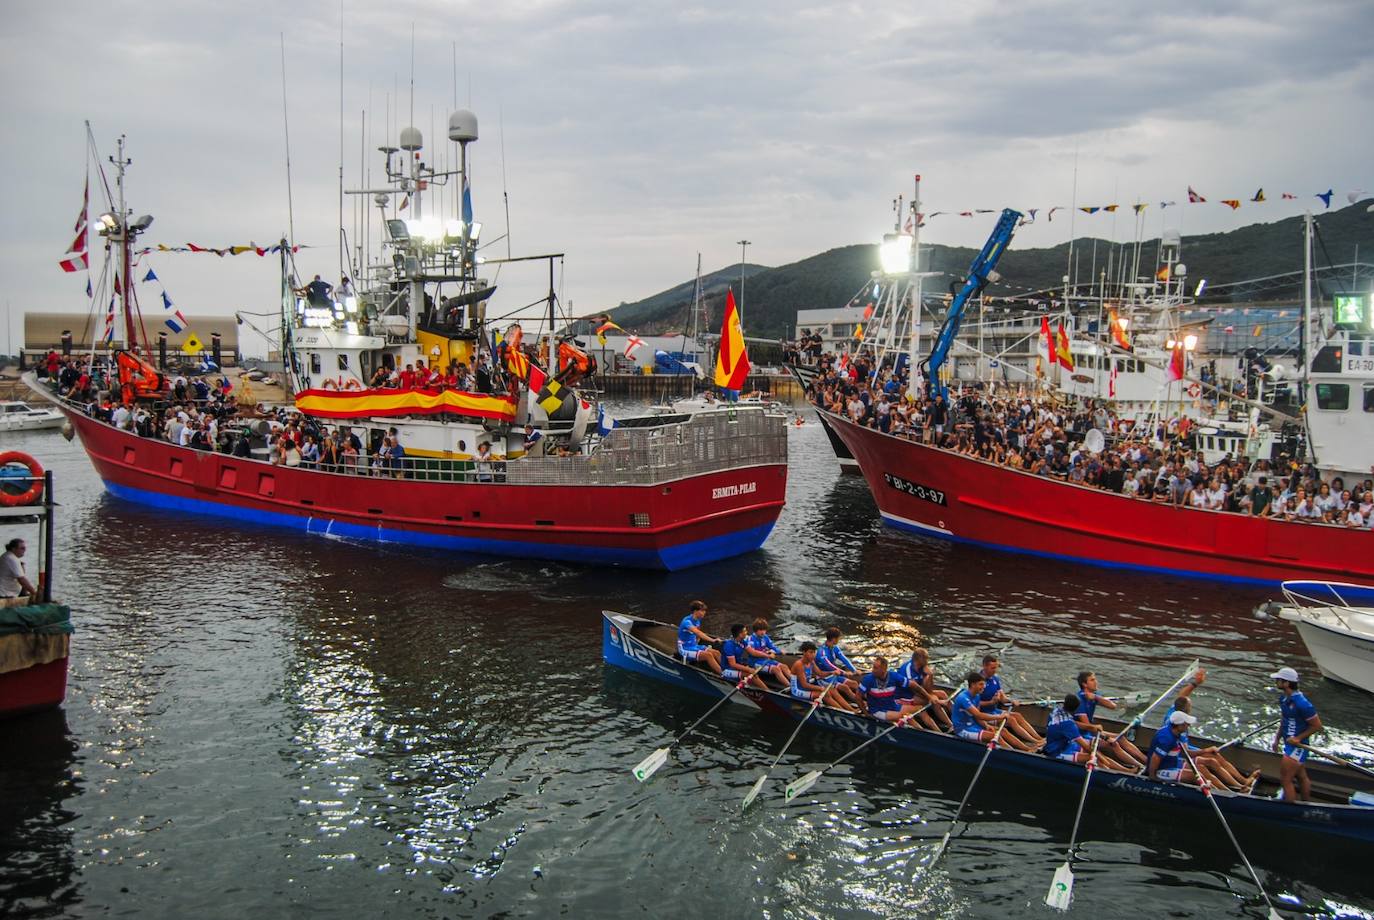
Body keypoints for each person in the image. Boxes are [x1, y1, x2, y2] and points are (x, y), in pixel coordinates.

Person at [1074, 671, 1147, 768]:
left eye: (1095, 679)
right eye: (1092, 680)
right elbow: (1088, 727)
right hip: (1081, 735)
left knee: (1120, 737)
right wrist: (1105, 737)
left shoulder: (1093, 695)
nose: (1096, 682)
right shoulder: (1080, 700)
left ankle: (1146, 761)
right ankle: (1138, 766)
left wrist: (1096, 697)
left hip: (1091, 732)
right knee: (1113, 743)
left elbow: (1113, 706)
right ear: (1084, 684)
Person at [1271, 666, 1322, 802]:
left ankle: (1290, 809)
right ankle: (1305, 804)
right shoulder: (1283, 699)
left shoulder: (1303, 704)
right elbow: (1284, 719)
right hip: (1289, 744)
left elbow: (1317, 726)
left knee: (1286, 780)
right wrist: (1277, 739)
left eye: (1278, 680)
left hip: (1298, 747)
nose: (1276, 682)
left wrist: (1298, 738)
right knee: (1301, 776)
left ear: (1286, 683)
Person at [950, 671, 1035, 750]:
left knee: (1003, 731)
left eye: (983, 684)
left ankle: (1027, 749)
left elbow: (978, 719)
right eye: (981, 684)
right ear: (973, 685)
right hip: (962, 729)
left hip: (974, 725)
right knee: (994, 736)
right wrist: (999, 717)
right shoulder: (963, 698)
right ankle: (1013, 753)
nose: (983, 687)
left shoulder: (976, 696)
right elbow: (979, 715)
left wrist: (986, 726)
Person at [976, 654, 1043, 748]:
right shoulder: (978, 682)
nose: (995, 670)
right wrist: (991, 702)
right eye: (992, 668)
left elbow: (1002, 698)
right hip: (984, 714)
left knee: (1017, 715)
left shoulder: (995, 679)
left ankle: (1039, 739)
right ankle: (1033, 742)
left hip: (994, 711)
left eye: (996, 667)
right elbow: (974, 704)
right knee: (1011, 720)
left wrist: (1011, 700)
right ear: (985, 666)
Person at [789, 642, 856, 711]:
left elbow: (820, 673)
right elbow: (804, 685)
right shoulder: (799, 665)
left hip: (807, 686)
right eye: (810, 652)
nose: (813, 655)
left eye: (814, 652)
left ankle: (851, 710)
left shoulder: (811, 661)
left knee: (833, 690)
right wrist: (820, 688)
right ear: (804, 652)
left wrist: (832, 672)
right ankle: (843, 712)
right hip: (798, 690)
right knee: (825, 694)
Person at [896, 647, 953, 729]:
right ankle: (949, 724)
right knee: (935, 701)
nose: (928, 660)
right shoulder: (907, 669)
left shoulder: (923, 667)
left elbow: (928, 689)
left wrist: (930, 675)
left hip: (918, 692)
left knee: (942, 694)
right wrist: (935, 699)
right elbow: (915, 690)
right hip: (906, 696)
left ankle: (956, 720)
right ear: (919, 659)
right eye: (926, 658)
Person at [676, 600, 722, 674]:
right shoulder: (687, 622)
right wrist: (713, 640)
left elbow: (698, 633)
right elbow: (698, 632)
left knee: (717, 652)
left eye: (704, 611)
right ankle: (724, 674)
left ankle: (729, 670)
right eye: (702, 611)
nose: (704, 612)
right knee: (708, 655)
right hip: (685, 649)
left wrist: (698, 641)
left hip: (694, 646)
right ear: (695, 611)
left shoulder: (698, 620)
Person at [744, 618, 791, 688]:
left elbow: (772, 647)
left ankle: (796, 684)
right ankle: (791, 687)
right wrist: (767, 654)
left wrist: (780, 651)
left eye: (764, 630)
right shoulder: (750, 639)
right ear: (756, 630)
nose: (763, 632)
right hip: (754, 663)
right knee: (776, 669)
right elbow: (753, 653)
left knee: (784, 666)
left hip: (765, 660)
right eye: (760, 630)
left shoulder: (765, 637)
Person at [720, 624, 766, 689]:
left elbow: (753, 652)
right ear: (740, 634)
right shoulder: (729, 645)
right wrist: (748, 669)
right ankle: (769, 692)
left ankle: (758, 687)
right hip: (726, 671)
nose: (746, 633)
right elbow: (733, 664)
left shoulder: (742, 642)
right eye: (745, 631)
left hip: (737, 667)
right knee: (749, 674)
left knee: (753, 674)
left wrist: (767, 655)